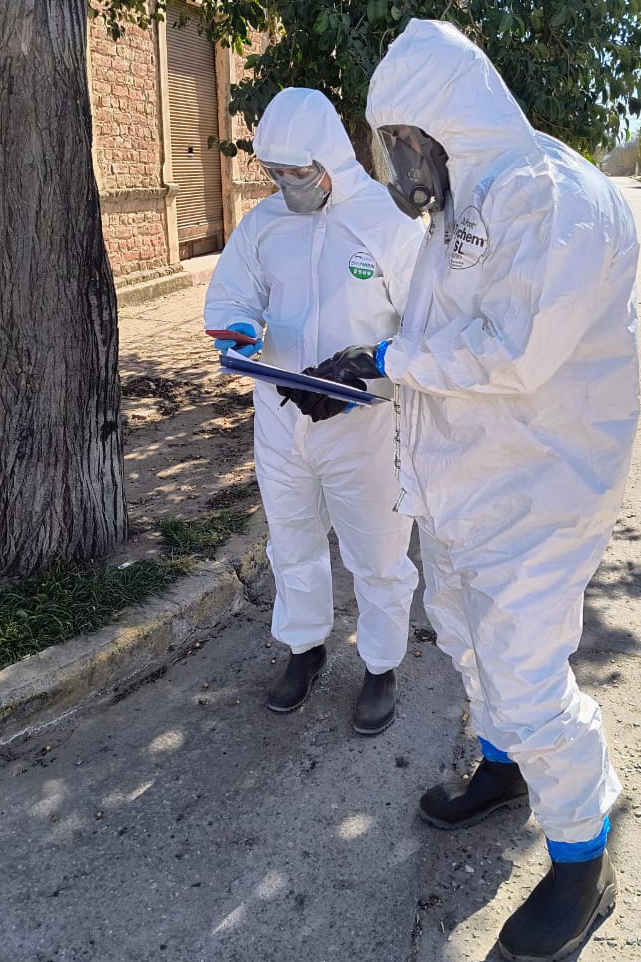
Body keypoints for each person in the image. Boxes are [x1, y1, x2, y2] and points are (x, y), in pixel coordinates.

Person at [288, 20, 641, 961]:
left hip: (542, 489)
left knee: (527, 678)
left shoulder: (553, 196)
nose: (400, 165)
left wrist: (395, 357)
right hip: (464, 486)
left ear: (448, 121)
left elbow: (516, 352)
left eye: (403, 142)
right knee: (467, 638)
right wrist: (362, 366)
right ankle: (503, 770)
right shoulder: (461, 206)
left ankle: (583, 856)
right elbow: (433, 335)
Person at [204, 88, 423, 736]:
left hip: (364, 421)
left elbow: (431, 324)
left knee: (378, 551)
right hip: (280, 415)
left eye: (300, 172)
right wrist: (241, 328)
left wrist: (370, 364)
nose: (289, 185)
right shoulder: (265, 225)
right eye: (277, 175)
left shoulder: (388, 224)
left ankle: (381, 666)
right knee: (291, 541)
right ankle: (305, 648)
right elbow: (234, 293)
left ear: (330, 156)